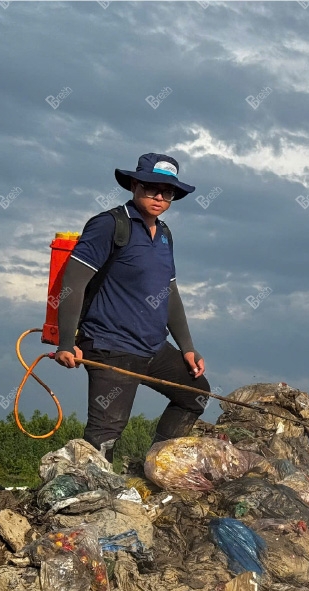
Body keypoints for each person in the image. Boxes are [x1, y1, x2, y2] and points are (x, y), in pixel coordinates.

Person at [53, 153, 210, 463]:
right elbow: (73, 282)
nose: (161, 196)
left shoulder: (164, 235)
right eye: (153, 188)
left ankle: (157, 466)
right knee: (105, 436)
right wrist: (66, 343)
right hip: (112, 346)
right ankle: (84, 499)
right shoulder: (109, 225)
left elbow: (170, 293)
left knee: (196, 394)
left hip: (152, 347)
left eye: (169, 191)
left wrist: (188, 348)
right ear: (135, 185)